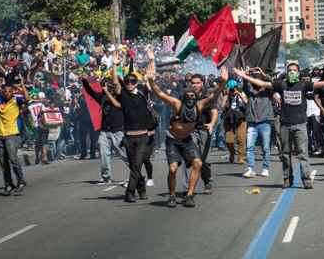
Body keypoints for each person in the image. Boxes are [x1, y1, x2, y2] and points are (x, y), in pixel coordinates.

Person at [234, 64, 324, 189]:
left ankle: (306, 179)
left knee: (303, 153)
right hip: (285, 125)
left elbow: (323, 84)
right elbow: (263, 84)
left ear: (298, 72)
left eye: (294, 70)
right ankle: (287, 179)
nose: (292, 72)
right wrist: (244, 76)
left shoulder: (303, 85)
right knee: (285, 154)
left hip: (300, 125)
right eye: (290, 70)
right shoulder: (282, 85)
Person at [145, 56, 227, 208]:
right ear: (184, 96)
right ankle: (171, 195)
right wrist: (151, 80)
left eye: (192, 96)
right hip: (173, 141)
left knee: (198, 163)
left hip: (188, 140)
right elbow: (160, 94)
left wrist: (223, 82)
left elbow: (214, 96)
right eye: (188, 96)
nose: (190, 98)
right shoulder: (177, 104)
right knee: (173, 168)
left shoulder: (199, 105)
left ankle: (189, 195)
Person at [111, 52, 154, 203]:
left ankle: (129, 193)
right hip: (128, 138)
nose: (129, 83)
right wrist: (115, 65)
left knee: (136, 165)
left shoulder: (143, 94)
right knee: (134, 167)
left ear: (136, 82)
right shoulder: (122, 94)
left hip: (143, 137)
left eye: (132, 81)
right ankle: (141, 189)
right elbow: (116, 84)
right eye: (127, 81)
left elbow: (151, 78)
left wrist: (152, 59)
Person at [0, 78, 29, 196]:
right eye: (5, 91)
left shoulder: (16, 100)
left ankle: (21, 181)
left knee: (13, 159)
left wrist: (22, 87)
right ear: (2, 92)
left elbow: (27, 98)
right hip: (0, 135)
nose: (7, 93)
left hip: (12, 135)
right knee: (3, 162)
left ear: (12, 92)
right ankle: (8, 184)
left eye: (9, 91)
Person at [81, 76, 129, 184]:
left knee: (122, 153)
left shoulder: (120, 96)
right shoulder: (102, 97)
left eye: (105, 84)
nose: (103, 86)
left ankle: (136, 173)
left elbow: (123, 88)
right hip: (104, 130)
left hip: (117, 130)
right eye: (102, 85)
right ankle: (106, 176)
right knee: (104, 153)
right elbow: (90, 92)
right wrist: (84, 81)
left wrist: (117, 80)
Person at [242, 68, 275, 178]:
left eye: (258, 79)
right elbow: (245, 84)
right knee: (250, 147)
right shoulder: (250, 92)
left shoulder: (268, 92)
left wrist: (263, 74)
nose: (256, 81)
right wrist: (245, 75)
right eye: (254, 79)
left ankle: (265, 168)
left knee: (265, 147)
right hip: (252, 123)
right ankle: (250, 168)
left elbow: (272, 83)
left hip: (265, 123)